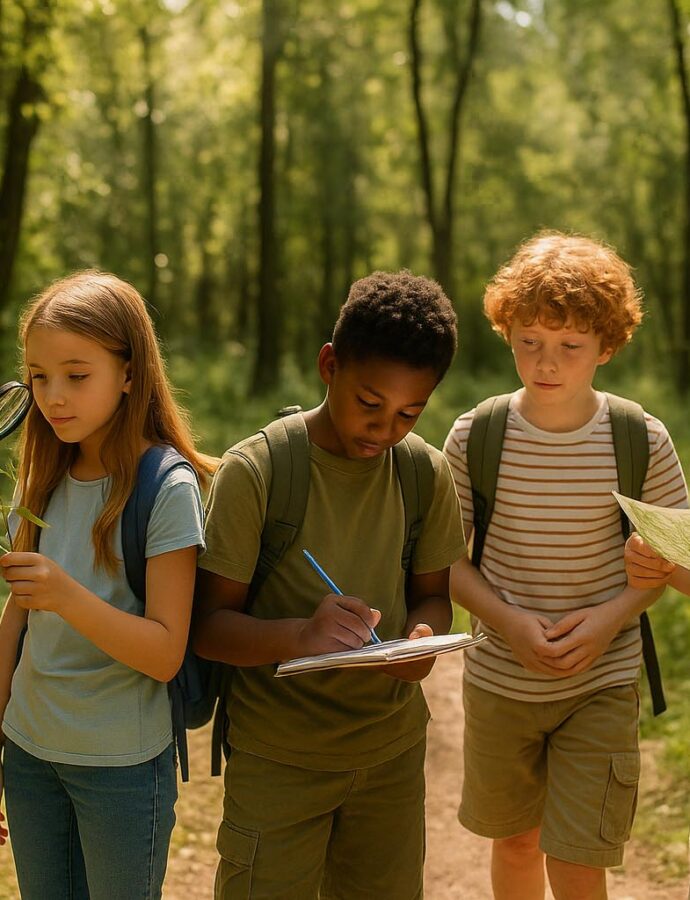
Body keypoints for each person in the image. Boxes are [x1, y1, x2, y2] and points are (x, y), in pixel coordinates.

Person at [194, 270, 464, 900]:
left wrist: (422, 641)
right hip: (278, 760)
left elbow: (433, 594)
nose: (384, 429)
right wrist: (302, 635)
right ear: (329, 365)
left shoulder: (425, 474)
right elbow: (207, 629)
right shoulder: (256, 472)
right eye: (369, 404)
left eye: (409, 413)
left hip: (390, 758)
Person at [443, 232, 688, 900]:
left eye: (570, 346)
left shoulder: (641, 439)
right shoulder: (475, 436)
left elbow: (676, 565)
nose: (545, 362)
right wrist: (510, 622)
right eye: (529, 341)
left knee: (579, 858)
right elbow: (445, 564)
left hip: (601, 681)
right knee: (517, 843)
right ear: (507, 333)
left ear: (607, 346)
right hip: (500, 679)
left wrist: (616, 611)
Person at [0, 271, 215, 900]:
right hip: (29, 753)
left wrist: (65, 594)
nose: (53, 396)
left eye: (76, 374)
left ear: (129, 372)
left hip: (121, 768)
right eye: (38, 376)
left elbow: (165, 651)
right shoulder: (40, 474)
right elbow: (16, 620)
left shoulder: (166, 490)